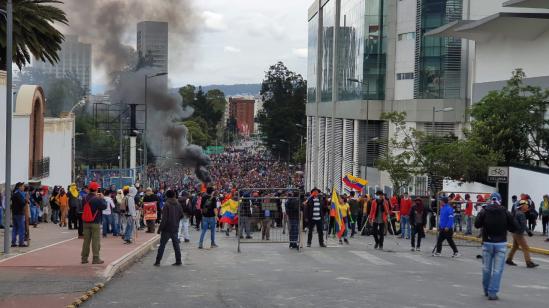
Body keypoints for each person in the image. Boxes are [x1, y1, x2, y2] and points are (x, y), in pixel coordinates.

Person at [475, 192, 518, 301]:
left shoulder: (484, 210)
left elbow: (477, 224)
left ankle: (486, 290)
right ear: (500, 200)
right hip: (501, 244)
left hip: (487, 243)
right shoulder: (505, 212)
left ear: (490, 200)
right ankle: (492, 293)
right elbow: (514, 227)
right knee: (497, 270)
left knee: (486, 269)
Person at [506, 200, 539, 268]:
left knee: (515, 247)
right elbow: (523, 225)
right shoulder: (521, 214)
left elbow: (521, 224)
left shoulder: (516, 212)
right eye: (526, 205)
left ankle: (509, 259)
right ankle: (528, 262)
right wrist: (528, 232)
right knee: (526, 248)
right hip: (518, 234)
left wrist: (527, 231)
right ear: (522, 206)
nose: (527, 206)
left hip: (514, 233)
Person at [154, 189, 184, 266]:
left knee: (162, 245)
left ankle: (158, 261)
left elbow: (164, 219)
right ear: (174, 195)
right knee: (176, 245)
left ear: (167, 196)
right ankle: (178, 260)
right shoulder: (178, 204)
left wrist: (159, 229)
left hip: (166, 229)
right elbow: (181, 215)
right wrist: (176, 220)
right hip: (175, 227)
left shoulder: (166, 204)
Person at [80, 182, 107, 264]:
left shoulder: (84, 198)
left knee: (86, 241)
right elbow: (104, 207)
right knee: (95, 241)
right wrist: (103, 198)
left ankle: (84, 258)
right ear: (96, 189)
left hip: (85, 222)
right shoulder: (97, 199)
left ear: (89, 188)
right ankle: (95, 258)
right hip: (95, 222)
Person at [11, 182, 28, 247]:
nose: (24, 187)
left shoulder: (14, 193)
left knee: (15, 228)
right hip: (19, 213)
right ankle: (21, 242)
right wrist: (26, 200)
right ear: (19, 187)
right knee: (21, 228)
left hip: (14, 213)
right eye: (23, 186)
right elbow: (22, 203)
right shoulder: (18, 194)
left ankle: (13, 242)